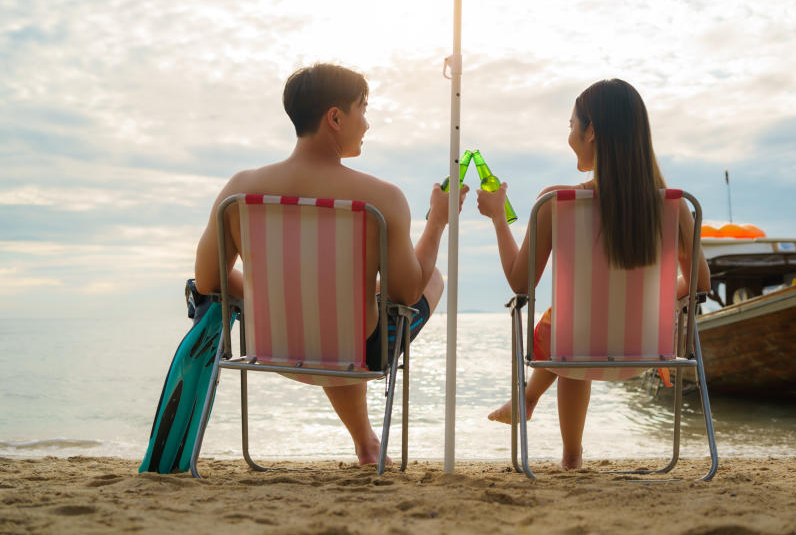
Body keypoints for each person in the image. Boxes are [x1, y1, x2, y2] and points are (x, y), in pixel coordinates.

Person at [193, 62, 468, 467]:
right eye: (363, 109)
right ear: (335, 117)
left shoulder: (241, 189)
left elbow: (207, 280)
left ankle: (366, 441)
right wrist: (438, 222)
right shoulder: (381, 197)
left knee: (336, 299)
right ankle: (368, 443)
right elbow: (407, 292)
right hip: (353, 350)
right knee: (428, 281)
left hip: (268, 344)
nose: (368, 124)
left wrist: (264, 297)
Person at [477, 78, 710, 470]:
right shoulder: (674, 207)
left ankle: (571, 454)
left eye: (571, 126)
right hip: (649, 347)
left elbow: (520, 284)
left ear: (592, 131)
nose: (569, 136)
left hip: (575, 349)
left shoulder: (558, 202)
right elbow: (700, 285)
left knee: (569, 328)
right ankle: (535, 407)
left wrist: (499, 218)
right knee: (572, 325)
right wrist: (658, 298)